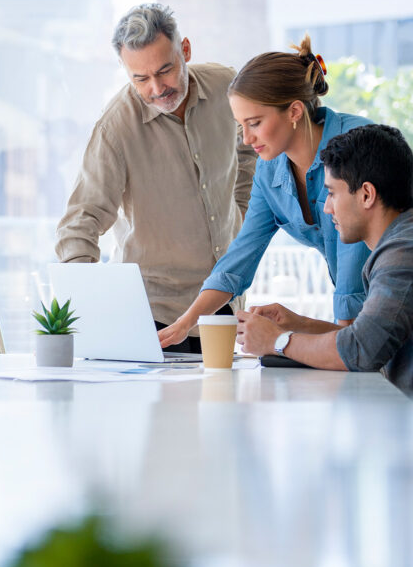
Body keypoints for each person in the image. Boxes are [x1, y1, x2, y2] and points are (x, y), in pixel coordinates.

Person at [56, 3, 257, 352]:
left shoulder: (227, 85)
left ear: (186, 51)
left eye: (165, 70)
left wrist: (239, 210)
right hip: (154, 317)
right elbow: (79, 224)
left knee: (226, 405)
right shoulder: (115, 128)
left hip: (223, 305)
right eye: (140, 78)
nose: (156, 88)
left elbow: (248, 149)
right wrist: (92, 313)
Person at [236, 124, 413, 393]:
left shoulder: (409, 251)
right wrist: (298, 325)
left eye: (332, 193)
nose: (326, 208)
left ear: (367, 194)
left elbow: (361, 351)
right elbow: (369, 338)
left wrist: (278, 341)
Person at [158, 36, 373, 349]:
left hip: (398, 304)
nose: (246, 139)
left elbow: (353, 268)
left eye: (255, 123)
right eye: (241, 125)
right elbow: (239, 258)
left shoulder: (355, 144)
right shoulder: (270, 171)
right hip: (363, 323)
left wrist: (334, 346)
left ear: (295, 111)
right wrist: (184, 324)